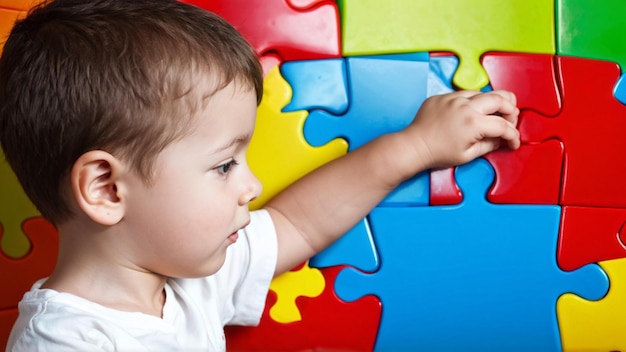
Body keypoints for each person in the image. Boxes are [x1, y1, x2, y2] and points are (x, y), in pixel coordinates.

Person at [0, 0, 520, 350]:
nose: (250, 185)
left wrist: (417, 145)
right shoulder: (64, 341)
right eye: (224, 165)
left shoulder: (187, 277)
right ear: (107, 189)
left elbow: (298, 224)